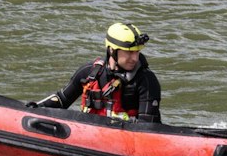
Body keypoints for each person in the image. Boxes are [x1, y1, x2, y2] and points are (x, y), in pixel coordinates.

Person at [32, 22, 163, 122]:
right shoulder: (90, 73)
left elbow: (148, 127)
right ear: (112, 50)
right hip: (91, 138)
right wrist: (32, 109)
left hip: (126, 146)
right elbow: (61, 99)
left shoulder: (146, 81)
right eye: (129, 52)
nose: (134, 58)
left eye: (137, 52)